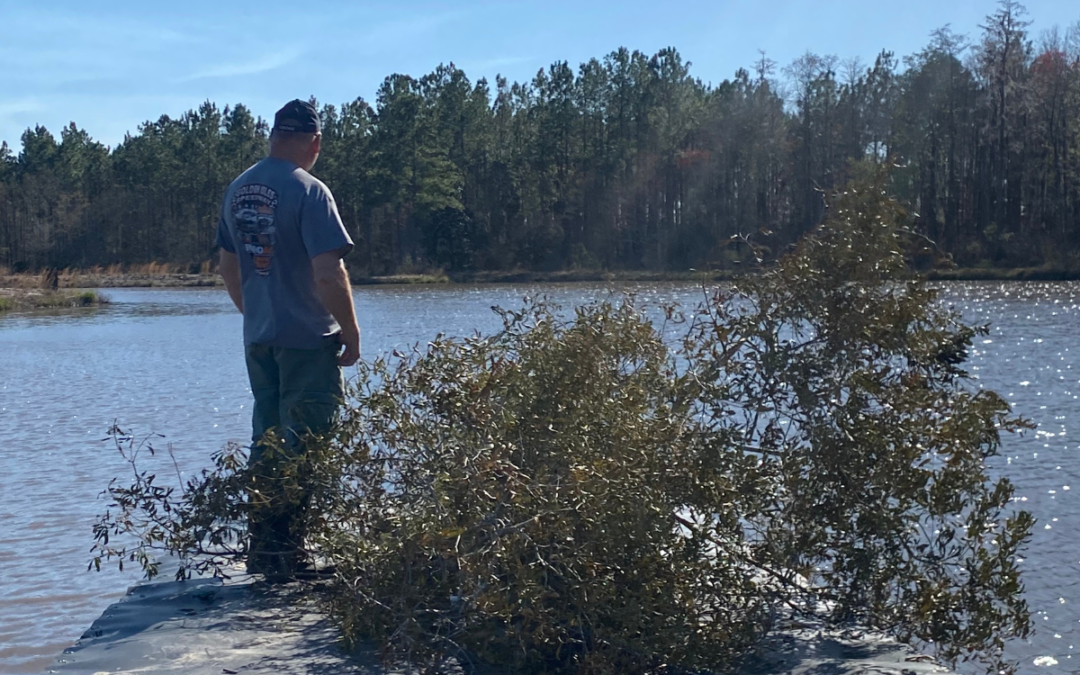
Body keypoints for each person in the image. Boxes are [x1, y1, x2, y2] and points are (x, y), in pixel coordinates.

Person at [216, 99, 360, 580]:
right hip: (306, 339)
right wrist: (352, 332)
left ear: (274, 135)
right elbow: (328, 272)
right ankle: (290, 557)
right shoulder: (311, 191)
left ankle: (265, 552)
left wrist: (254, 313)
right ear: (314, 142)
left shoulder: (237, 189)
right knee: (308, 441)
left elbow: (228, 266)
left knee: (268, 439)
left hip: (259, 339)